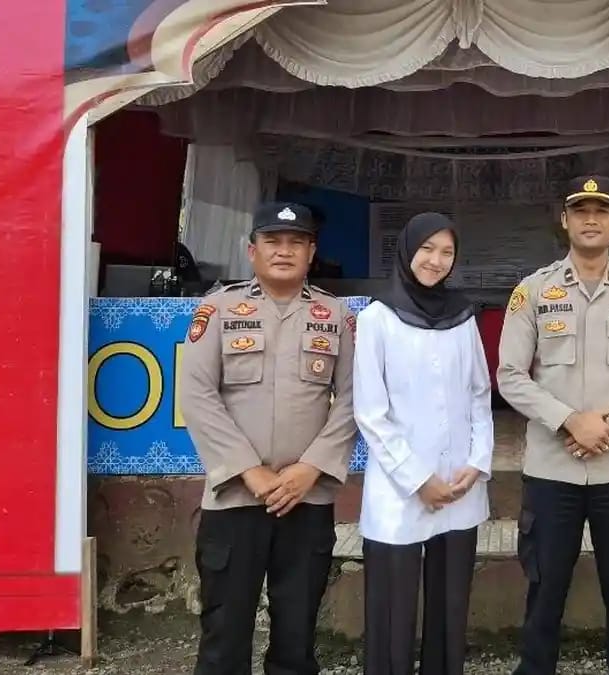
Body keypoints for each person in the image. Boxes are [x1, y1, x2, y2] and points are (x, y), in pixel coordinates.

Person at [497, 175, 609, 675]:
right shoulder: (533, 290)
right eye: (581, 211)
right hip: (552, 470)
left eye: (601, 211)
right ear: (565, 220)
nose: (591, 220)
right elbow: (510, 375)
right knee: (544, 593)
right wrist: (569, 422)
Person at [179, 201, 357, 675]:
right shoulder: (217, 310)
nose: (284, 251)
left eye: (296, 242)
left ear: (311, 252)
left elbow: (353, 400)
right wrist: (249, 470)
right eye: (272, 241)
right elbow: (196, 395)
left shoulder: (335, 315)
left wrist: (311, 468)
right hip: (236, 499)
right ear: (251, 251)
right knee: (224, 637)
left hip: (306, 498)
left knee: (296, 638)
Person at [353, 212, 494, 675]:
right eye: (427, 249)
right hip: (400, 491)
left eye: (447, 252)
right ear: (407, 250)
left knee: (450, 610)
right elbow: (371, 413)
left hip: (459, 484)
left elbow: (480, 394)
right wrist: (418, 480)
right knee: (392, 615)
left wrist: (477, 462)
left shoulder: (462, 317)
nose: (436, 260)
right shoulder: (377, 318)